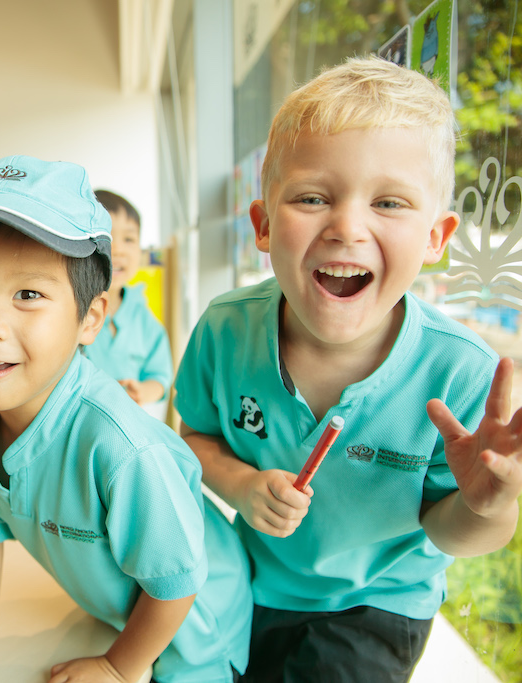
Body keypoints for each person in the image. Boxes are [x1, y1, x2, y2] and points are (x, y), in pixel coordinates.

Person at [174, 56, 522, 683]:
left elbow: (452, 531)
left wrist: (488, 506)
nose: (347, 227)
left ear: (437, 238)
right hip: (248, 584)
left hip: (377, 606)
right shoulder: (225, 330)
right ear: (262, 224)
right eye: (313, 197)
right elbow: (193, 439)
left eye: (389, 202)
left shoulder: (460, 372)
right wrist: (241, 486)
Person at [0, 155, 252, 683]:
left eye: (28, 294)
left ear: (89, 318)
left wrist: (118, 668)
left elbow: (179, 585)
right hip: (115, 619)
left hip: (195, 634)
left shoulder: (123, 449)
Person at [84, 189, 173, 416]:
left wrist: (143, 392)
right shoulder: (72, 309)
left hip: (131, 427)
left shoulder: (143, 316)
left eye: (129, 239)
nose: (119, 249)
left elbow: (161, 377)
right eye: (107, 236)